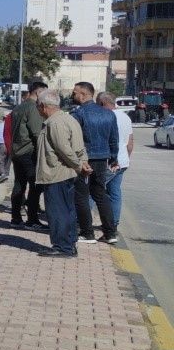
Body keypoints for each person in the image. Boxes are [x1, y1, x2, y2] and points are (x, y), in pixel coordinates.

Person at [35, 90, 89, 257]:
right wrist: (83, 162)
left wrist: (79, 165)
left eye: (38, 106)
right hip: (66, 173)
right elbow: (79, 147)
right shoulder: (69, 119)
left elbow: (64, 149)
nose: (37, 110)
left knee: (57, 212)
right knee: (67, 211)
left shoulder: (55, 123)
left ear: (43, 106)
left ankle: (62, 246)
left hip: (56, 173)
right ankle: (69, 244)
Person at [70, 82, 118, 245]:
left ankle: (87, 233)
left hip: (84, 159)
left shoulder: (78, 114)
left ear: (83, 94)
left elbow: (72, 138)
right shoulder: (109, 114)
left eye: (75, 93)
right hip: (102, 159)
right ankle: (110, 233)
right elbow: (114, 139)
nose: (73, 95)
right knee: (100, 194)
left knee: (81, 196)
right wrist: (113, 158)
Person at [9, 82, 49, 229]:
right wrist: (45, 153)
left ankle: (16, 218)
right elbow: (37, 133)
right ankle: (32, 220)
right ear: (38, 93)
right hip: (28, 152)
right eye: (45, 94)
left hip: (17, 151)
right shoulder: (33, 108)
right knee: (35, 186)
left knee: (19, 184)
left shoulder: (19, 107)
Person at [97, 92, 133, 243]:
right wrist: (125, 159)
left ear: (103, 103)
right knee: (115, 192)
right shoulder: (125, 117)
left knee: (93, 190)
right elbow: (130, 143)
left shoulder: (105, 117)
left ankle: (82, 224)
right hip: (122, 161)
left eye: (98, 104)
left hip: (109, 161)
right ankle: (114, 224)